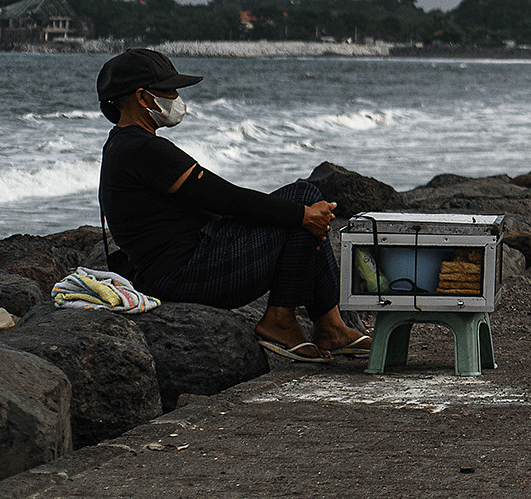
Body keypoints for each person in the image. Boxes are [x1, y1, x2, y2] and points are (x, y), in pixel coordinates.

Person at [97, 48, 370, 363]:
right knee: (303, 201)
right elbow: (226, 198)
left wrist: (300, 217)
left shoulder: (122, 144)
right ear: (143, 98)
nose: (175, 98)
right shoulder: (143, 149)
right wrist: (301, 215)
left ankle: (330, 326)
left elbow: (217, 206)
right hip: (183, 278)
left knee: (303, 205)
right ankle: (287, 321)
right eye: (168, 91)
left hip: (184, 265)